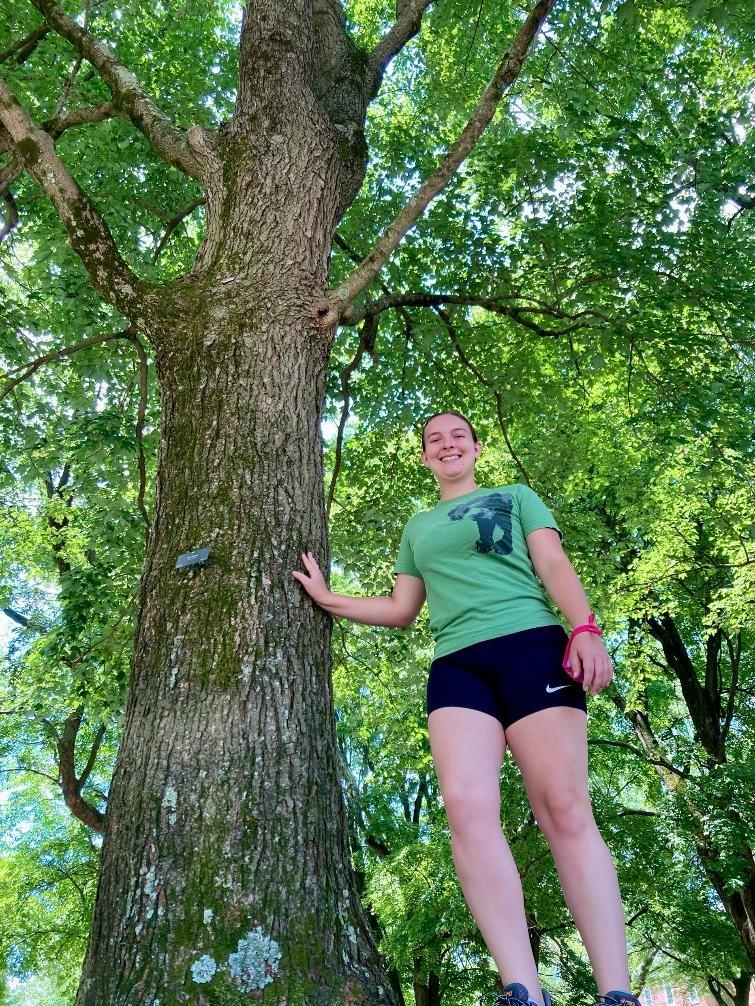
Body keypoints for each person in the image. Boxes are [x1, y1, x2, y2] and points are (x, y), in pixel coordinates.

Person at [293, 410, 641, 1006]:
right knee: (465, 807)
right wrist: (328, 599)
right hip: (457, 666)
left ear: (476, 448)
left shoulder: (516, 496)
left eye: (458, 435)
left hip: (532, 647)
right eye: (435, 440)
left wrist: (585, 628)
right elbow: (402, 608)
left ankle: (616, 992)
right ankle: (523, 990)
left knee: (562, 807)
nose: (447, 444)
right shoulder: (417, 527)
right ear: (426, 458)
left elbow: (553, 564)